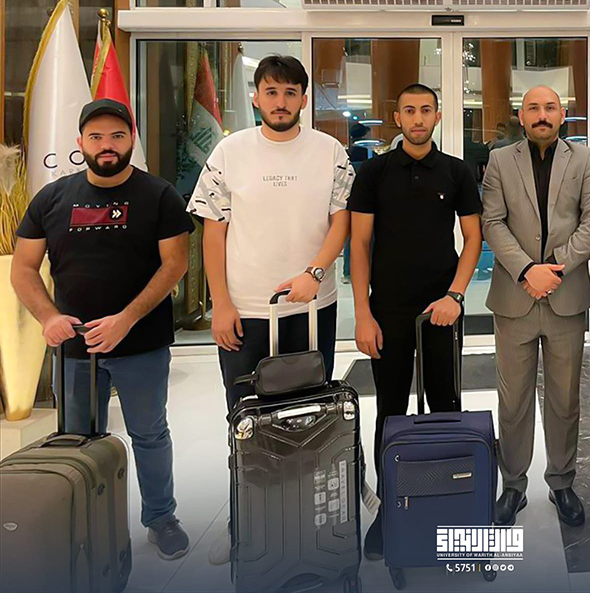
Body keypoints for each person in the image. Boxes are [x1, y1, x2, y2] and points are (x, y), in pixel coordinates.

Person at [187, 55, 354, 564]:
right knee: (245, 418)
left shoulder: (330, 151)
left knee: (309, 415)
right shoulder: (229, 152)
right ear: (256, 97)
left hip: (312, 308)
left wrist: (315, 273)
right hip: (246, 310)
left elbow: (341, 222)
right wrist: (220, 304)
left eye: (290, 92)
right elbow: (212, 233)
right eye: (271, 92)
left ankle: (306, 520)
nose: (280, 102)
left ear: (303, 98)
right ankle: (246, 524)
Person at [12, 99, 194, 560]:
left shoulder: (159, 196)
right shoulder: (52, 198)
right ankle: (85, 523)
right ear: (80, 143)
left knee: (149, 434)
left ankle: (161, 519)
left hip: (141, 344)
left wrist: (126, 319)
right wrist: (49, 317)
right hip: (75, 349)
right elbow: (24, 269)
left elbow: (174, 265)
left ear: (131, 139)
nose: (107, 145)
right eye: (96, 137)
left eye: (117, 136)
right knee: (78, 438)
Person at [348, 83, 483, 560]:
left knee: (446, 405)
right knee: (390, 410)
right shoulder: (374, 172)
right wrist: (362, 314)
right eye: (410, 110)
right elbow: (358, 244)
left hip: (439, 310)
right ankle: (391, 511)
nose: (418, 118)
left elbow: (472, 239)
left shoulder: (457, 171)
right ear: (397, 117)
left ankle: (448, 502)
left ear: (438, 116)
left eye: (426, 110)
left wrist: (455, 295)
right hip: (387, 310)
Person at [482, 85, 590, 528]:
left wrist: (552, 267)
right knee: (513, 399)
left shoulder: (585, 160)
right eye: (533, 108)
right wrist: (525, 271)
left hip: (565, 295)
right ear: (521, 115)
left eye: (550, 108)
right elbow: (492, 222)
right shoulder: (500, 160)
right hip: (514, 297)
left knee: (564, 398)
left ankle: (562, 482)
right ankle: (513, 485)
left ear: (563, 114)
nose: (542, 115)